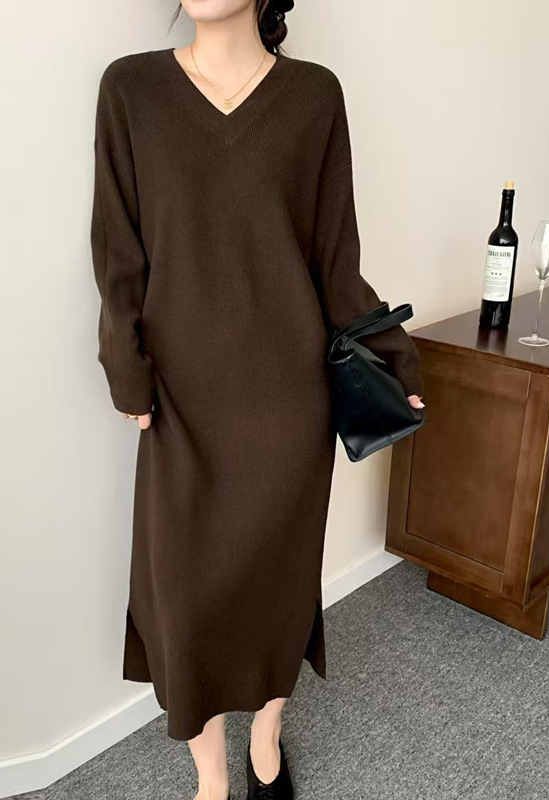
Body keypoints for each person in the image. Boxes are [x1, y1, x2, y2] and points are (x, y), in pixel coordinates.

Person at [90, 2, 425, 798]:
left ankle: (266, 740)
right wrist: (124, 364)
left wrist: (391, 357)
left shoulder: (314, 96)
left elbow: (335, 257)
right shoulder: (130, 89)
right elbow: (117, 248)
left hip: (288, 404)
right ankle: (210, 777)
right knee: (187, 605)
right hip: (182, 406)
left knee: (277, 590)